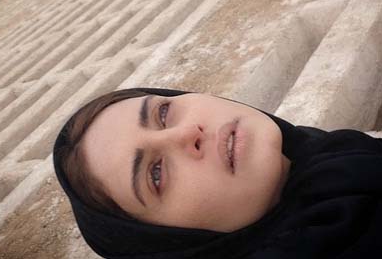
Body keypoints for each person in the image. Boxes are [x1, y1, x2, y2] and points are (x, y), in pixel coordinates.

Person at [54, 88, 382, 259]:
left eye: (163, 113)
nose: (187, 134)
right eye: (155, 174)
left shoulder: (336, 155)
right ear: (171, 243)